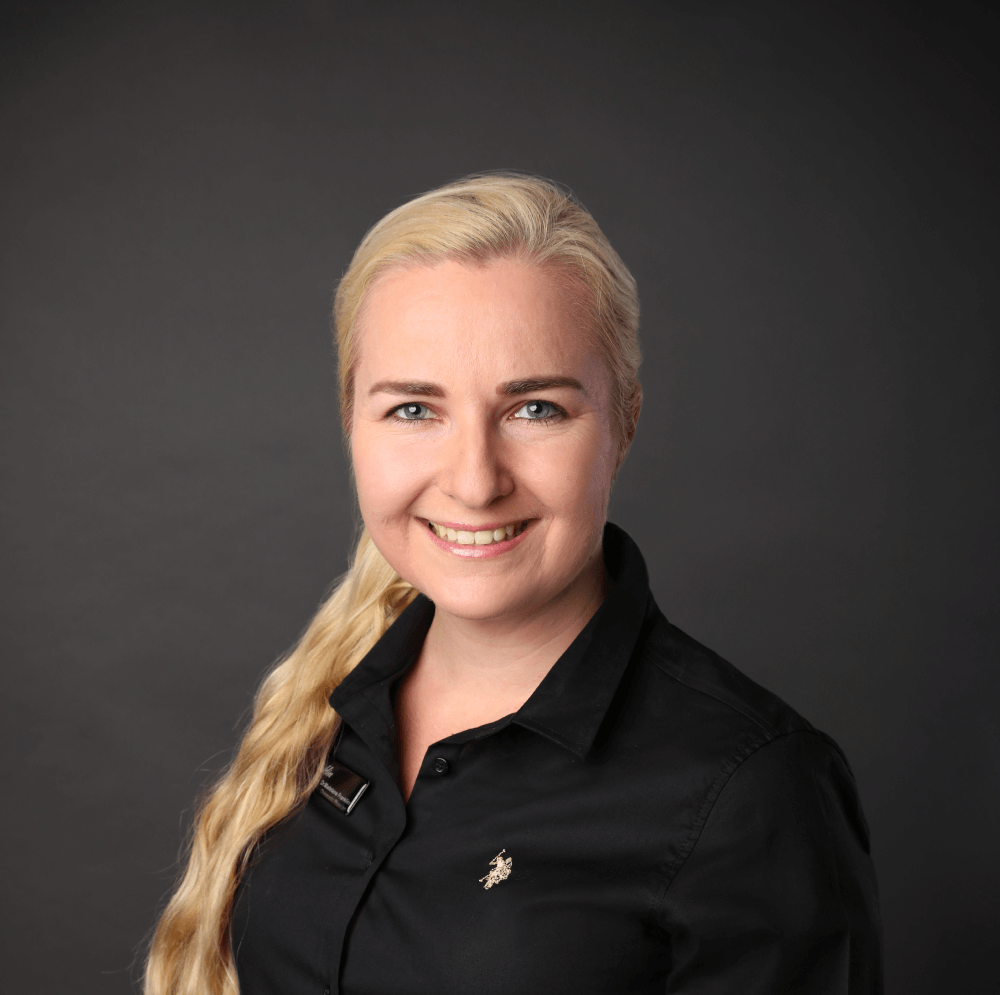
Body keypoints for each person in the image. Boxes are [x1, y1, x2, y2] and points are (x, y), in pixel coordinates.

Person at [144, 173, 882, 994]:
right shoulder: (329, 714)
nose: (474, 481)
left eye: (534, 409)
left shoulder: (754, 788)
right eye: (414, 410)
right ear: (351, 420)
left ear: (625, 422)